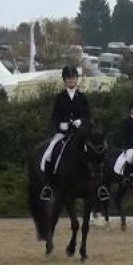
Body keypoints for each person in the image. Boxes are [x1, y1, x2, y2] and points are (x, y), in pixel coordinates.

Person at [40, 65, 89, 199]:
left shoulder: (82, 97)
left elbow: (87, 115)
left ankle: (97, 184)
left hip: (79, 133)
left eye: (73, 77)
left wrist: (81, 122)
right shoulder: (60, 97)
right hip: (63, 133)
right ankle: (48, 186)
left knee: (92, 152)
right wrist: (61, 125)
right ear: (65, 80)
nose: (71, 80)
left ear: (76, 79)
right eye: (68, 78)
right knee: (49, 153)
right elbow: (54, 116)